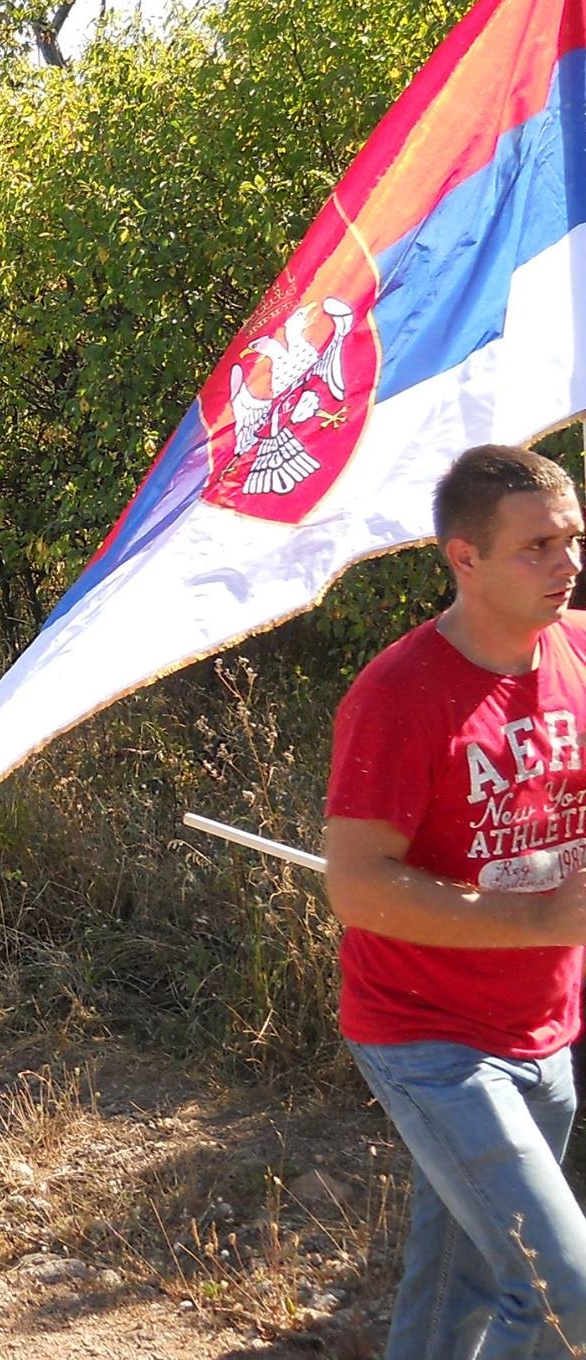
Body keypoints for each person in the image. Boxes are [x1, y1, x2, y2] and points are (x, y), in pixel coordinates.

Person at [323, 444, 586, 1358]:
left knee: (461, 1283)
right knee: (564, 1291)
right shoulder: (400, 695)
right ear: (462, 559)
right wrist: (542, 921)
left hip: (543, 1024)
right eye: (538, 547)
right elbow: (356, 886)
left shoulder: (580, 652)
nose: (568, 564)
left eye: (573, 540)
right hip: (426, 1033)